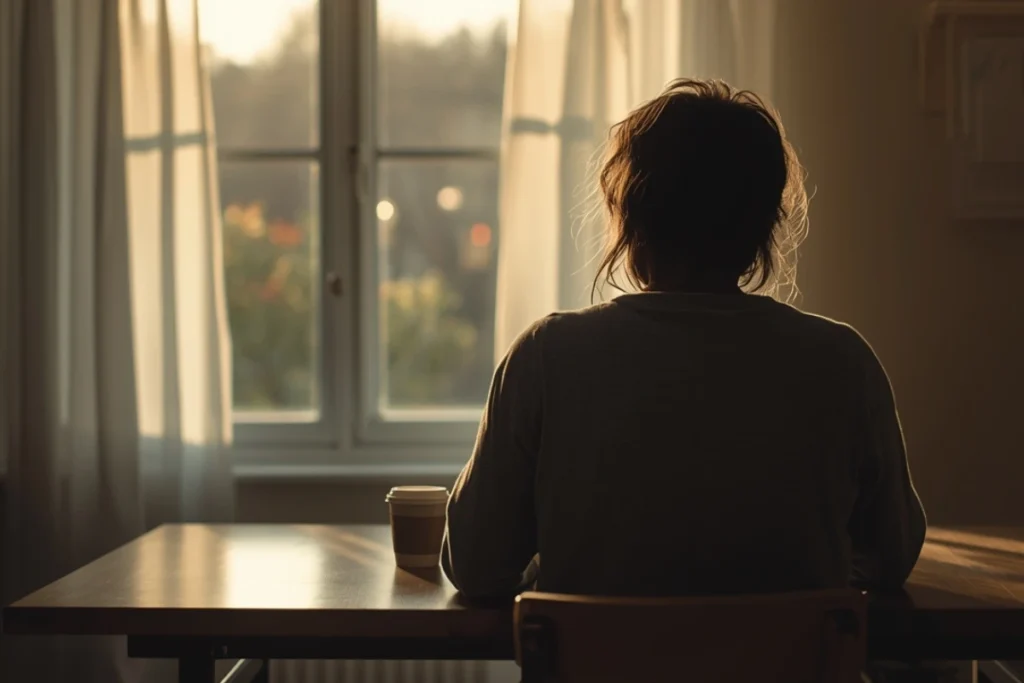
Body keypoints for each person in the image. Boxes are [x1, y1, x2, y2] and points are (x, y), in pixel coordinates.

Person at [442, 78, 926, 600]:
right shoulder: (841, 363)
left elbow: (475, 563)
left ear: (632, 218)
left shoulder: (546, 357)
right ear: (763, 227)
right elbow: (891, 553)